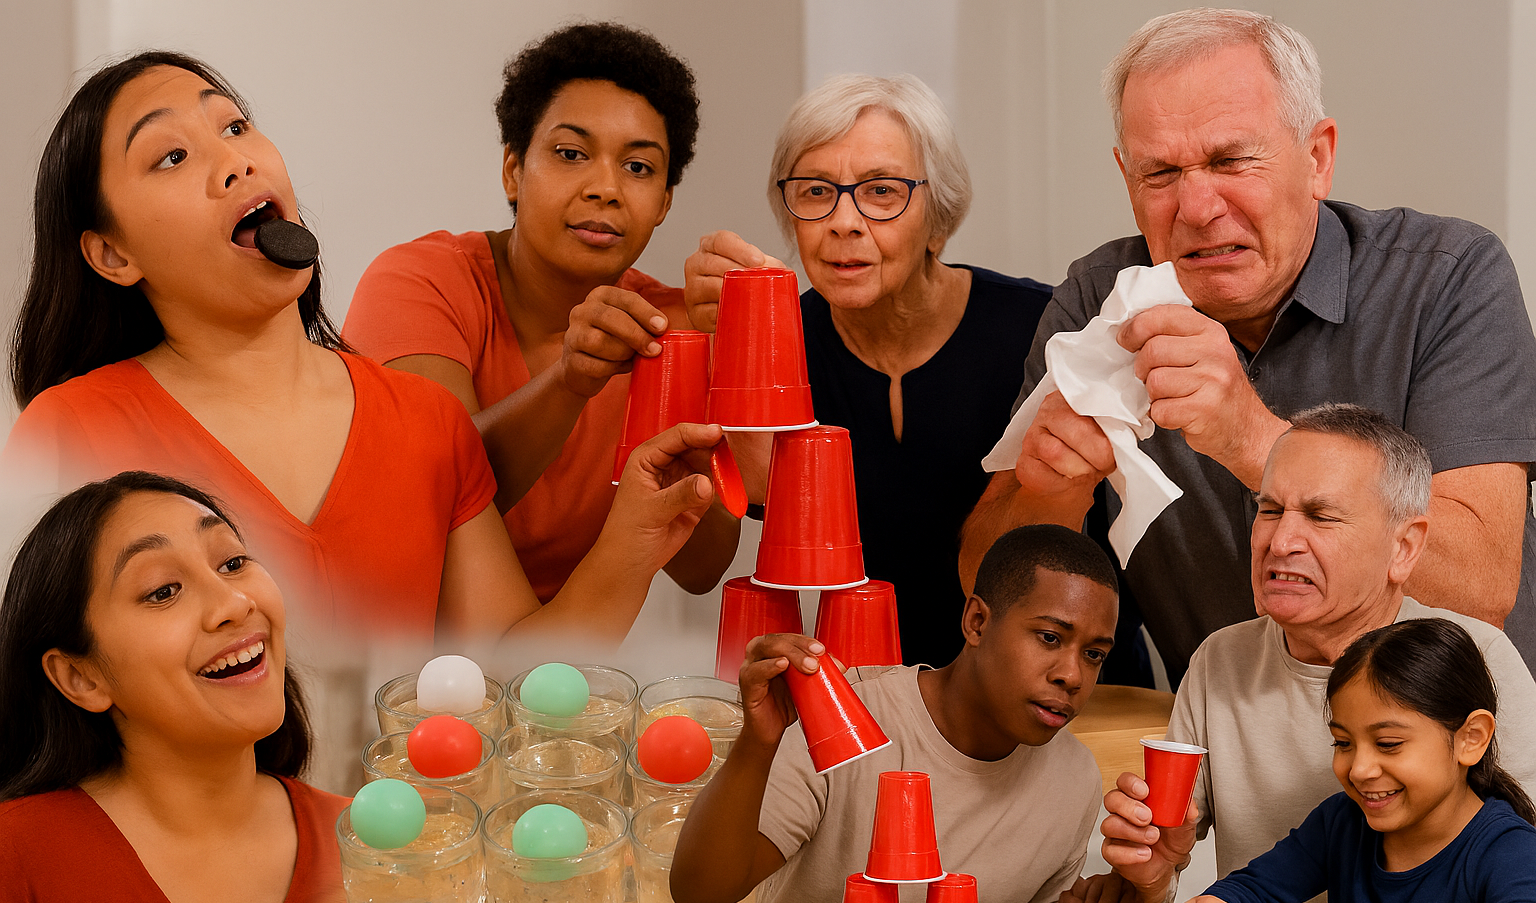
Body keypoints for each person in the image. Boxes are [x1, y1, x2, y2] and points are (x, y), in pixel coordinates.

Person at [1, 51, 720, 648]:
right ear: (112, 254)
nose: (234, 161)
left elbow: (510, 671)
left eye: (237, 126)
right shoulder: (69, 432)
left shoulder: (426, 421)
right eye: (172, 155)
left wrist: (635, 539)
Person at [961, 8, 1536, 685]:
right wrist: (1052, 493)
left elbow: (1479, 587)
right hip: (1224, 740)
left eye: (1230, 160)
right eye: (1160, 173)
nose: (1198, 207)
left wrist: (1252, 439)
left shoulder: (1447, 279)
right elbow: (983, 583)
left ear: (1317, 158)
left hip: (1458, 736)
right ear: (1126, 177)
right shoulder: (1099, 302)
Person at [343, 22, 738, 601]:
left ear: (663, 204)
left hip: (562, 653)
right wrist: (569, 382)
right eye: (571, 154)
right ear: (513, 170)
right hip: (397, 642)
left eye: (638, 167)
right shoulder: (420, 282)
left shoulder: (667, 328)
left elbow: (701, 572)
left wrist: (732, 356)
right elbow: (422, 499)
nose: (606, 188)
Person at [683, 74, 1064, 670]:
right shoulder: (785, 345)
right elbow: (742, 511)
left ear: (939, 220)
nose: (844, 221)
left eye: (882, 191)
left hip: (1049, 684)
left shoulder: (1042, 330)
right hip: (867, 692)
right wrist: (724, 350)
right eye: (816, 191)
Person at [1096, 404, 1536, 903]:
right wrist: (1150, 875)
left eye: (1321, 517)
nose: (1280, 542)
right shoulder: (1221, 660)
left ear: (1404, 548)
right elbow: (1173, 885)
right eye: (1270, 510)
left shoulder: (1478, 658)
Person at [670, 524, 1140, 903]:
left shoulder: (1073, 777)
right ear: (977, 623)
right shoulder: (845, 720)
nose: (1071, 676)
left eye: (1094, 654)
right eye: (1050, 638)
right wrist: (758, 743)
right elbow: (699, 891)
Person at [0, 472, 350, 903]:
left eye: (232, 562)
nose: (233, 603)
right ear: (80, 677)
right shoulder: (15, 860)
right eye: (163, 591)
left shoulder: (373, 844)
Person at [1167, 618, 1536, 903]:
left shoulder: (1514, 851)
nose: (1359, 769)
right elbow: (1255, 888)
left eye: (1388, 744)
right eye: (1343, 742)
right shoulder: (1342, 821)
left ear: (1472, 738)